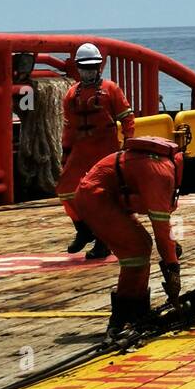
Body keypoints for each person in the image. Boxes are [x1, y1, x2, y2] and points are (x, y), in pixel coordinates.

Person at [74, 137, 195, 339]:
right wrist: (173, 267)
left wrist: (171, 249)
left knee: (141, 246)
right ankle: (122, 315)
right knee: (136, 249)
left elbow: (162, 227)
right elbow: (161, 227)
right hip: (96, 198)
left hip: (107, 197)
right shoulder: (162, 174)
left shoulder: (168, 168)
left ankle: (137, 311)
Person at [56, 43, 135, 257]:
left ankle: (103, 241)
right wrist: (65, 154)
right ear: (78, 68)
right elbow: (69, 127)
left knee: (103, 196)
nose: (89, 71)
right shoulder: (71, 94)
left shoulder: (111, 89)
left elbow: (127, 118)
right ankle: (82, 230)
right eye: (84, 67)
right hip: (81, 151)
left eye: (93, 67)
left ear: (99, 67)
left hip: (105, 150)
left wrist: (128, 143)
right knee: (65, 190)